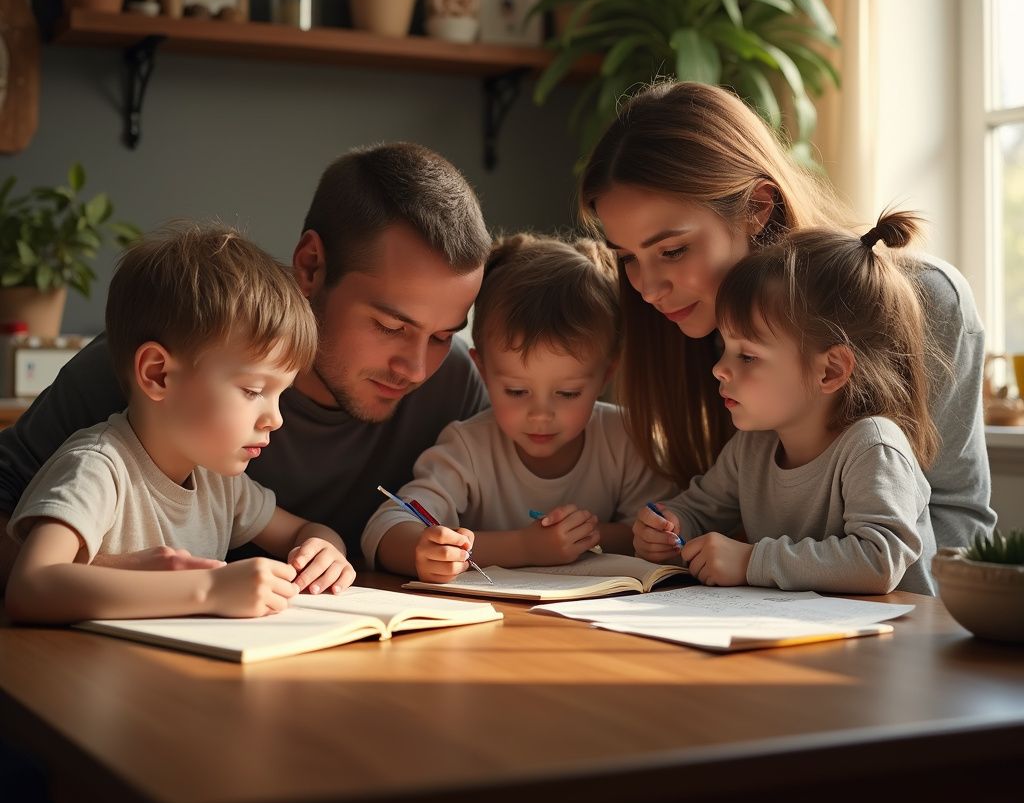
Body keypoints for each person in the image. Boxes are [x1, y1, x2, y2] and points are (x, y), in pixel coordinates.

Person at [0, 143, 491, 586]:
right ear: (312, 266)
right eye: (389, 326)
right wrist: (122, 575)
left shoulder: (454, 389)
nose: (417, 369)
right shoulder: (170, 354)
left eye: (444, 336)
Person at [580, 81, 996, 550]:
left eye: (673, 251)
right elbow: (712, 507)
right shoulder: (678, 324)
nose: (649, 289)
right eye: (627, 257)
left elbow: (959, 525)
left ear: (757, 208)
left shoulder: (927, 299)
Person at [6, 225, 355, 623]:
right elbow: (30, 586)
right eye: (253, 390)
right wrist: (209, 590)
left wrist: (326, 551)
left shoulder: (220, 484)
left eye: (281, 394)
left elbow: (305, 531)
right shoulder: (97, 468)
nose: (275, 418)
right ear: (158, 375)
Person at [634, 212, 937, 595]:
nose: (718, 370)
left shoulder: (873, 446)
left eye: (747, 356)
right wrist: (669, 525)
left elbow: (878, 560)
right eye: (725, 349)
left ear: (829, 371)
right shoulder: (754, 446)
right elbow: (700, 508)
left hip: (895, 643)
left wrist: (749, 561)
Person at [361, 233, 672, 582]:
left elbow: (659, 530)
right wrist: (523, 547)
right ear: (483, 371)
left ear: (605, 375)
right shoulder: (468, 448)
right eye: (516, 391)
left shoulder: (623, 438)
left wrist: (586, 535)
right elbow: (386, 529)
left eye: (568, 393)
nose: (541, 414)